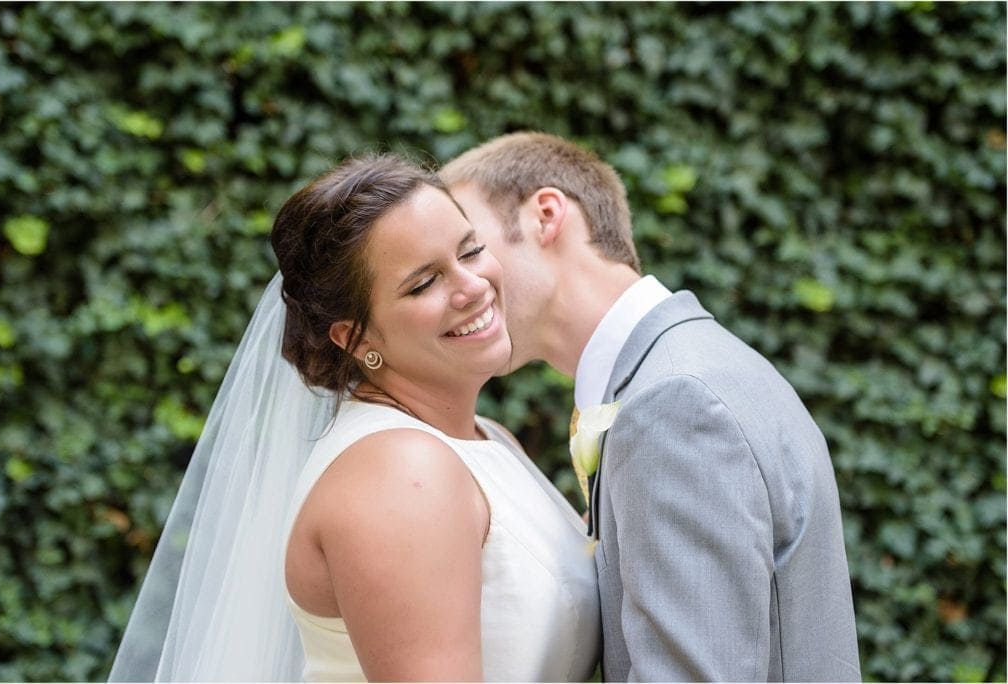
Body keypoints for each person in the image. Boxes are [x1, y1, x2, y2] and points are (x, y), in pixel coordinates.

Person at [109, 154, 599, 682]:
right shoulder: (402, 473)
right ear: (356, 337)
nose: (473, 286)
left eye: (471, 250)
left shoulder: (486, 439)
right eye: (423, 283)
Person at [441, 132, 861, 682]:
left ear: (546, 215)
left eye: (471, 247)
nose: (462, 282)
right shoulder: (687, 372)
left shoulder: (675, 403)